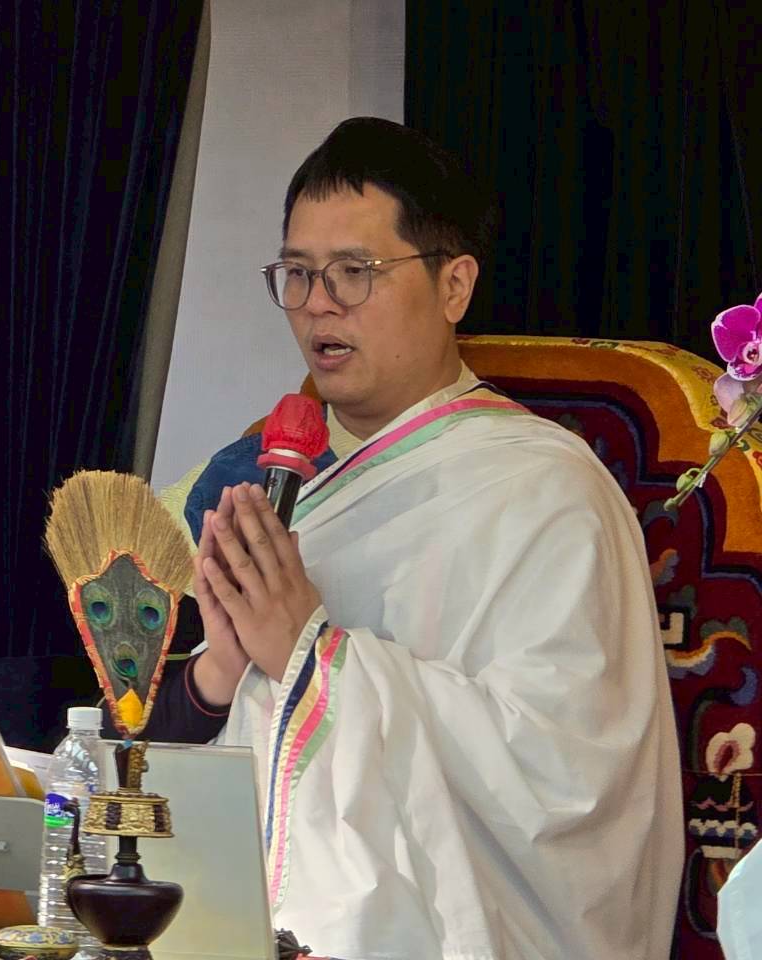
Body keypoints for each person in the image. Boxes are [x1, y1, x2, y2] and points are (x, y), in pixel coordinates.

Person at [137, 117, 682, 959]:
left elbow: (567, 782)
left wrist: (314, 658)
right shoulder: (285, 487)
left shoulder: (547, 492)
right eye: (297, 273)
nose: (318, 304)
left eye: (354, 272)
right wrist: (229, 664)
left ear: (454, 285)